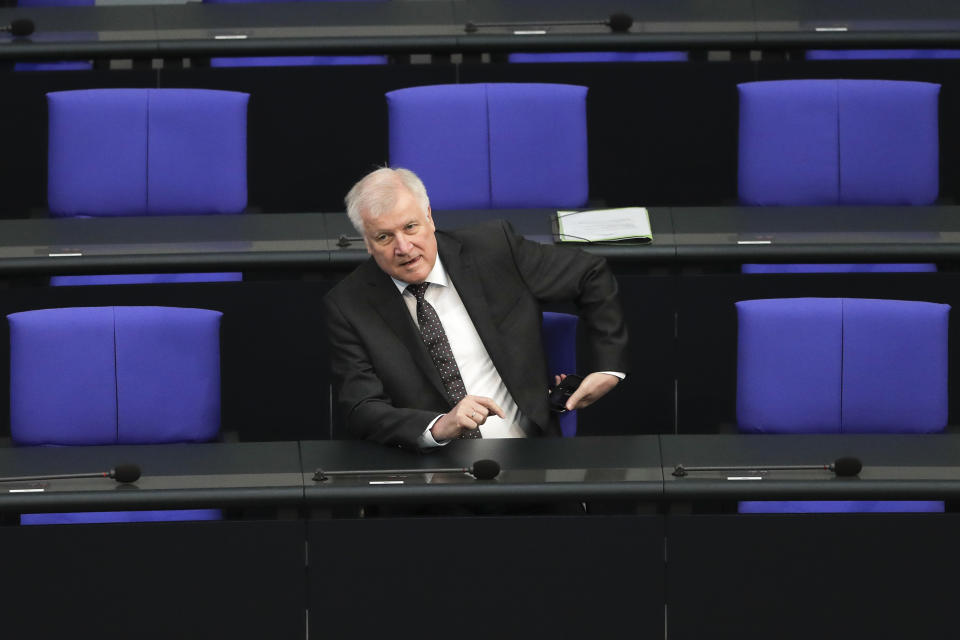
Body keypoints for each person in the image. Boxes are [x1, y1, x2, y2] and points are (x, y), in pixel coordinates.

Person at [324, 167, 628, 448]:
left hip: (530, 454)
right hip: (433, 476)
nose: (403, 248)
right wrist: (439, 426)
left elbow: (590, 274)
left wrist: (608, 367)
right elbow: (361, 408)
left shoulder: (494, 250)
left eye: (410, 227)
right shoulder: (349, 305)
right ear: (367, 242)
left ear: (429, 217)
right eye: (384, 237)